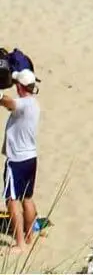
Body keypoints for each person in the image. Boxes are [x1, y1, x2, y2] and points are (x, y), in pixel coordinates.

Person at [1, 70, 40, 255]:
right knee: (27, 198)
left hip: (16, 160)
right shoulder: (34, 104)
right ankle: (29, 236)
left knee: (12, 200)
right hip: (30, 158)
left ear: (20, 86)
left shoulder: (23, 104)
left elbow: (9, 102)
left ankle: (20, 244)